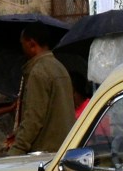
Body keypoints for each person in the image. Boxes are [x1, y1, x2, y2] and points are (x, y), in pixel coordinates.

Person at [7, 25, 75, 155]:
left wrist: (16, 150)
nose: (22, 48)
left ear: (31, 44)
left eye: (22, 44)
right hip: (63, 148)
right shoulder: (60, 67)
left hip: (44, 153)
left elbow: (33, 118)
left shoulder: (38, 72)